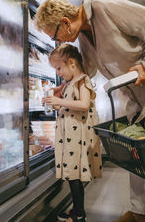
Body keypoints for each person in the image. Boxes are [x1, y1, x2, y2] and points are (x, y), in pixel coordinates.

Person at [35, 0, 145, 222]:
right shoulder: (85, 37)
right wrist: (64, 85)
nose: (57, 41)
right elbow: (88, 68)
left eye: (55, 36)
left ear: (65, 23)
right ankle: (139, 214)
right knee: (136, 157)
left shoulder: (104, 6)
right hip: (135, 96)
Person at [44, 43, 102, 222]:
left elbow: (84, 104)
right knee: (71, 174)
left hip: (77, 138)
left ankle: (79, 214)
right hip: (70, 137)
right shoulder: (68, 83)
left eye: (59, 68)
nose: (58, 72)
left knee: (74, 176)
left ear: (72, 63)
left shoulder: (82, 80)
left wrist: (59, 101)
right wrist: (54, 99)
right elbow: (65, 104)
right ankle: (77, 210)